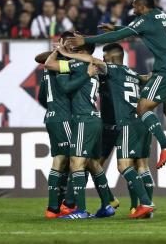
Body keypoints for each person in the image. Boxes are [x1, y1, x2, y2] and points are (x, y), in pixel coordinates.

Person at [66, 0, 166, 172]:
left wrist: (85, 39)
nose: (132, 9)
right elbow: (140, 29)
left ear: (142, 5)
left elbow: (119, 37)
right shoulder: (161, 15)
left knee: (142, 108)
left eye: (134, 5)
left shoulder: (146, 19)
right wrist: (117, 28)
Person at [58, 43, 155, 219]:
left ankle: (143, 204)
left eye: (104, 56)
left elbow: (92, 60)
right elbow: (145, 78)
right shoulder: (131, 73)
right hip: (131, 123)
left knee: (121, 165)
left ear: (110, 58)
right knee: (100, 164)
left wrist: (64, 53)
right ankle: (111, 202)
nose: (101, 59)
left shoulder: (111, 70)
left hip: (122, 124)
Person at [44, 42, 115, 219]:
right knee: (92, 163)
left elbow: (51, 68)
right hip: (94, 119)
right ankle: (107, 205)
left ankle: (80, 210)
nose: (73, 49)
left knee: (76, 162)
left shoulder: (77, 65)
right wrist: (59, 51)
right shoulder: (95, 65)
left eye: (76, 48)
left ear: (82, 51)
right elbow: (48, 64)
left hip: (84, 119)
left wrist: (59, 51)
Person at [36, 31, 92, 218]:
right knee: (76, 160)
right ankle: (67, 205)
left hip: (52, 116)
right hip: (64, 117)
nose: (71, 45)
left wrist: (53, 106)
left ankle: (54, 208)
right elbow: (69, 88)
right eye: (68, 42)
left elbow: (41, 96)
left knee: (61, 160)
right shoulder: (65, 65)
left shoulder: (48, 65)